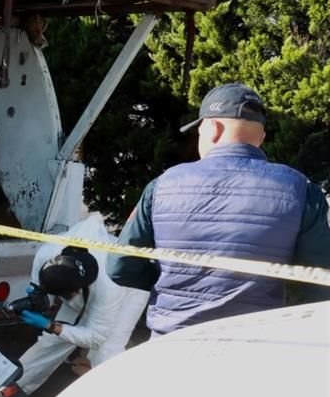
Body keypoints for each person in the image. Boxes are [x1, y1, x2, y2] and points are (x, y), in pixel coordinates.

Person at [108, 82, 330, 336]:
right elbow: (321, 283)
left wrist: (168, 282)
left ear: (213, 127)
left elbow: (120, 266)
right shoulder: (301, 190)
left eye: (199, 130)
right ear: (261, 137)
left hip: (171, 342)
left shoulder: (162, 185)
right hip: (255, 343)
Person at [13, 215, 148, 395]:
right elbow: (40, 291)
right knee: (52, 341)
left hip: (130, 289)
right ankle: (15, 386)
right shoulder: (45, 255)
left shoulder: (109, 283)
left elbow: (96, 337)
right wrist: (36, 300)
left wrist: (50, 325)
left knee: (105, 352)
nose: (73, 298)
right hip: (89, 283)